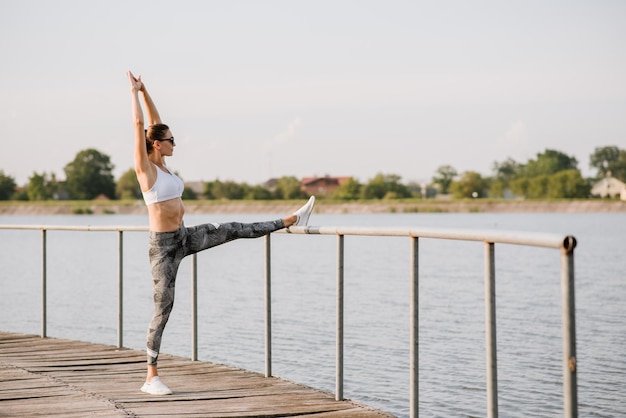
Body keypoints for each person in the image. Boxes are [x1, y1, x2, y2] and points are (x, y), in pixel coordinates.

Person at [127, 71, 315, 395]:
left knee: (233, 229)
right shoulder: (145, 169)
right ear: (156, 144)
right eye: (171, 140)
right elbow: (138, 126)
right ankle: (150, 377)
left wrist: (145, 90)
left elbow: (154, 121)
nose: (175, 143)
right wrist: (133, 94)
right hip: (163, 248)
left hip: (184, 237)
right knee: (163, 308)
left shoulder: (163, 165)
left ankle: (291, 219)